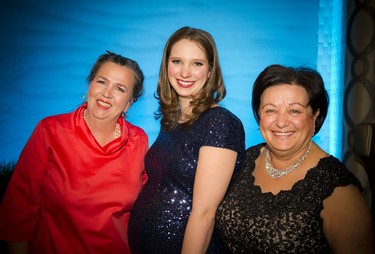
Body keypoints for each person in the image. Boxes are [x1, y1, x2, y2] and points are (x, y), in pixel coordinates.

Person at [215, 64, 375, 253]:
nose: (281, 122)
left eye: (295, 111)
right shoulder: (247, 158)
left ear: (315, 115)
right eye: (270, 110)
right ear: (259, 115)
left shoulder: (337, 188)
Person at [0, 51, 148, 254]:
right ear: (90, 84)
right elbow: (18, 210)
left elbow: (144, 211)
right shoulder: (49, 131)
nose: (107, 93)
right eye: (102, 82)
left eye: (120, 88)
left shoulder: (139, 140)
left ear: (129, 102)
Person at [127, 26, 245, 253]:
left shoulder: (219, 123)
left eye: (197, 63)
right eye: (177, 61)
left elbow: (204, 213)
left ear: (210, 70)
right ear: (166, 65)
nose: (185, 72)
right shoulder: (171, 120)